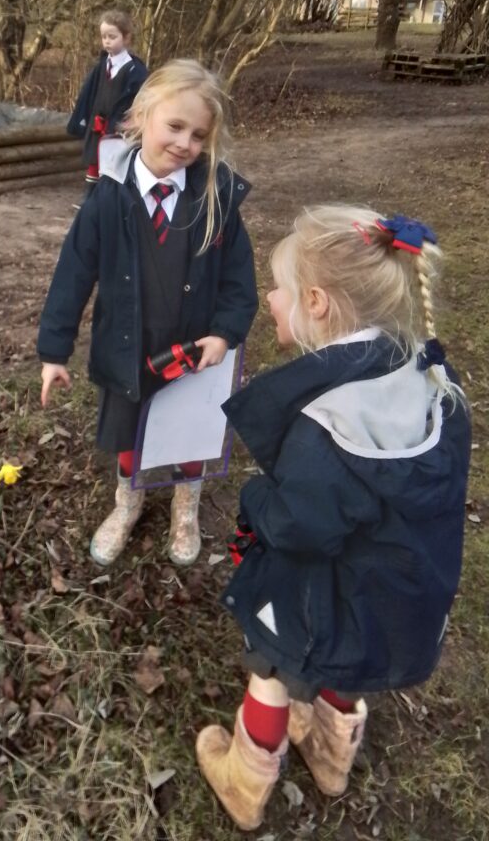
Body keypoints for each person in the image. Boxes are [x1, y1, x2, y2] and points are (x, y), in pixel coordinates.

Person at [196, 205, 472, 832]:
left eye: (280, 289)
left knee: (271, 662)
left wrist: (254, 503)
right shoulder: (429, 379)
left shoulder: (332, 422)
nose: (271, 299)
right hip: (392, 594)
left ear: (316, 303)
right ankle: (330, 756)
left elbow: (297, 525)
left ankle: (246, 781)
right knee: (351, 660)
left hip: (321, 594)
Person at [39, 59, 258, 566]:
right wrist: (54, 351)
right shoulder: (106, 198)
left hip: (193, 353)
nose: (185, 143)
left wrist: (225, 333)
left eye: (198, 135)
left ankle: (186, 510)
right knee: (129, 437)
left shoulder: (216, 198)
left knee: (187, 437)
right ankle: (127, 504)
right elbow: (72, 275)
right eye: (175, 126)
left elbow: (239, 280)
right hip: (127, 350)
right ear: (142, 115)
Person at [67, 9, 148, 205]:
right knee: (94, 166)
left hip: (119, 130)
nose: (107, 41)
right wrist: (81, 120)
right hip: (98, 128)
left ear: (126, 37)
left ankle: (109, 205)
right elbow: (89, 94)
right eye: (104, 37)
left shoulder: (136, 71)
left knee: (113, 170)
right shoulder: (101, 66)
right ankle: (90, 204)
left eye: (112, 36)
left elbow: (140, 103)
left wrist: (128, 126)